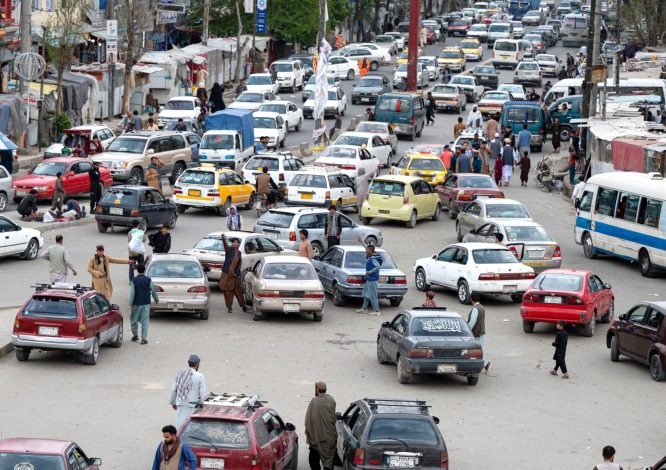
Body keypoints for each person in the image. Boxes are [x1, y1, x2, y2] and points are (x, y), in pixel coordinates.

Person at [304, 382, 337, 470]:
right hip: (330, 437)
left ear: (317, 390)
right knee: (329, 462)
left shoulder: (314, 401)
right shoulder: (332, 400)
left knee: (313, 461)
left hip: (316, 438)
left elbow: (308, 421)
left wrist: (311, 435)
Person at [169, 355, 207, 430]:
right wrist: (203, 406)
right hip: (193, 406)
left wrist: (172, 402)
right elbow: (203, 394)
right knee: (191, 427)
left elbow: (174, 389)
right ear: (197, 364)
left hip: (180, 404)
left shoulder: (180, 373)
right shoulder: (199, 376)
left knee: (180, 427)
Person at [129, 263, 158, 345]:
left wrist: (131, 303)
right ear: (144, 270)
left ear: (137, 271)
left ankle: (135, 335)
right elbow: (153, 290)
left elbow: (132, 293)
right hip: (146, 303)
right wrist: (156, 299)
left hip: (136, 303)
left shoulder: (134, 280)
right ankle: (144, 339)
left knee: (134, 320)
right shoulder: (148, 280)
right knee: (145, 321)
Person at [218, 234, 247, 313]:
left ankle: (244, 306)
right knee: (228, 292)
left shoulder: (239, 253)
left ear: (238, 244)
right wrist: (223, 239)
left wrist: (238, 273)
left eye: (236, 242)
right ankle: (229, 307)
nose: (235, 243)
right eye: (234, 242)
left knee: (239, 292)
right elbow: (225, 245)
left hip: (235, 276)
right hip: (227, 275)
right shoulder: (229, 250)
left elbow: (239, 263)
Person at [355, 238, 382, 315]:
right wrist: (361, 242)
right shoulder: (371, 255)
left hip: (372, 279)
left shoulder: (373, 258)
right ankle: (364, 308)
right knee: (366, 293)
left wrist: (370, 272)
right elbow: (366, 247)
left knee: (373, 295)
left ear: (370, 250)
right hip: (369, 279)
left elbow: (378, 266)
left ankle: (376, 311)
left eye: (367, 250)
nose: (366, 251)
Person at [468, 292, 491, 373]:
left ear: (471, 299)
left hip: (476, 333)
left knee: (476, 351)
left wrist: (468, 330)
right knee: (479, 350)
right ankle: (485, 364)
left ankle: (486, 364)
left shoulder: (475, 309)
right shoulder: (481, 307)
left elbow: (473, 321)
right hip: (481, 331)